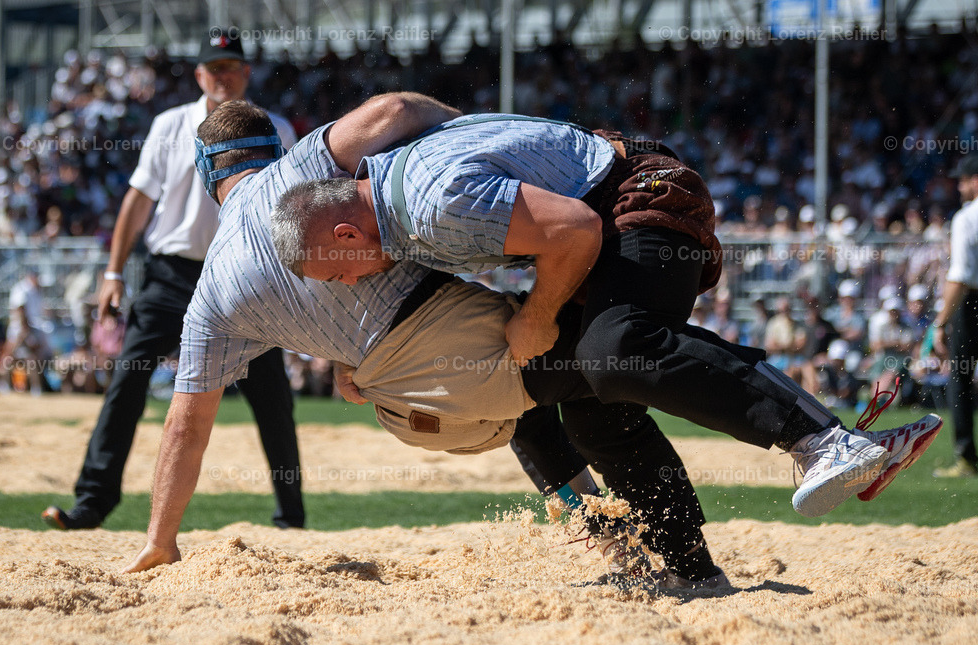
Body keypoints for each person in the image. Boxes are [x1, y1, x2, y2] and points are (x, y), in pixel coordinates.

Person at [123, 96, 722, 589]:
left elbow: (186, 424)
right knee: (602, 369)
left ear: (207, 177)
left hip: (420, 400)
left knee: (535, 414)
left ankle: (611, 541)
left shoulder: (211, 295)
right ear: (271, 148)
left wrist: (160, 538)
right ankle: (713, 510)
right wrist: (470, 142)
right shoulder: (308, 173)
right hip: (467, 330)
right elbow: (397, 106)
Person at [275, 112, 943, 519]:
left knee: (612, 347)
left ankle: (826, 441)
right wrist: (345, 354)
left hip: (640, 193)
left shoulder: (426, 201)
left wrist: (537, 315)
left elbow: (572, 229)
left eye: (339, 274)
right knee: (589, 395)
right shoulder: (385, 205)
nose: (347, 285)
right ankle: (686, 566)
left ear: (343, 234)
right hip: (599, 214)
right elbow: (405, 108)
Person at [41, 29, 305, 530]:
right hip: (172, 273)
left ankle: (290, 513)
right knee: (127, 381)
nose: (223, 75)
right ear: (199, 74)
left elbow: (292, 204)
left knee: (272, 394)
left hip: (246, 274)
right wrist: (113, 272)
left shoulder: (277, 129)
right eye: (214, 67)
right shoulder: (169, 124)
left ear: (246, 73)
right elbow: (138, 201)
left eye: (231, 66)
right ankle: (93, 501)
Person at [932, 154, 978, 478]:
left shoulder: (966, 218)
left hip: (971, 303)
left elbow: (960, 276)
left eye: (963, 180)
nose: (959, 186)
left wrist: (940, 322)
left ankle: (966, 457)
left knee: (960, 378)